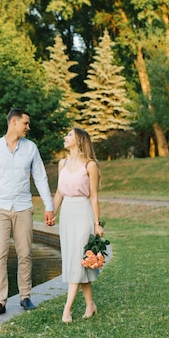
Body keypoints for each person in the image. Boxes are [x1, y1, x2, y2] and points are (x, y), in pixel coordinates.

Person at [0, 108, 55, 316]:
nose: (28, 127)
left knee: (25, 253)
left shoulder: (31, 148)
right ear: (14, 122)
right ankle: (0, 300)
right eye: (26, 123)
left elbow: (40, 178)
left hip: (23, 207)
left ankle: (25, 297)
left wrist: (49, 206)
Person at [52, 127, 104, 323]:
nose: (65, 138)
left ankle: (67, 309)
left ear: (80, 140)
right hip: (67, 214)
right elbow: (59, 192)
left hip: (83, 213)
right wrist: (52, 212)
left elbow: (94, 197)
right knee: (79, 263)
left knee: (77, 260)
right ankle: (90, 304)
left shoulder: (90, 165)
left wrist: (96, 224)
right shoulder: (62, 164)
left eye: (69, 135)